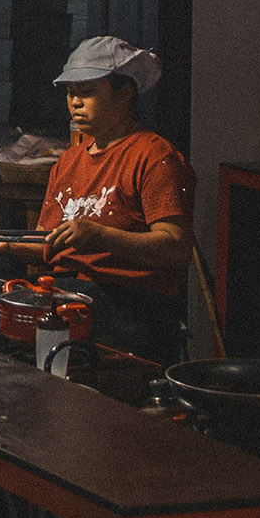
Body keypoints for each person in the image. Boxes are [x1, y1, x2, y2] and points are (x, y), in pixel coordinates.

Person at [34, 37, 194, 364]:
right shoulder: (69, 161)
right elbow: (46, 240)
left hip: (132, 315)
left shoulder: (154, 156)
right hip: (69, 305)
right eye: (70, 92)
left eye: (87, 92)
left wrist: (99, 236)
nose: (75, 102)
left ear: (124, 93)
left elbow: (176, 248)